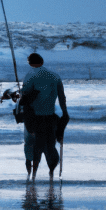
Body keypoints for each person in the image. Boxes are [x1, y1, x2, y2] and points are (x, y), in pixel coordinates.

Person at [21, 52, 68, 182]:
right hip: (50, 117)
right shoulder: (55, 76)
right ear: (42, 62)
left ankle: (31, 172)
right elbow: (62, 98)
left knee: (30, 143)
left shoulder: (30, 75)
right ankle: (51, 172)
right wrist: (65, 113)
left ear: (30, 63)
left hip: (33, 117)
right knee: (49, 145)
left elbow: (24, 96)